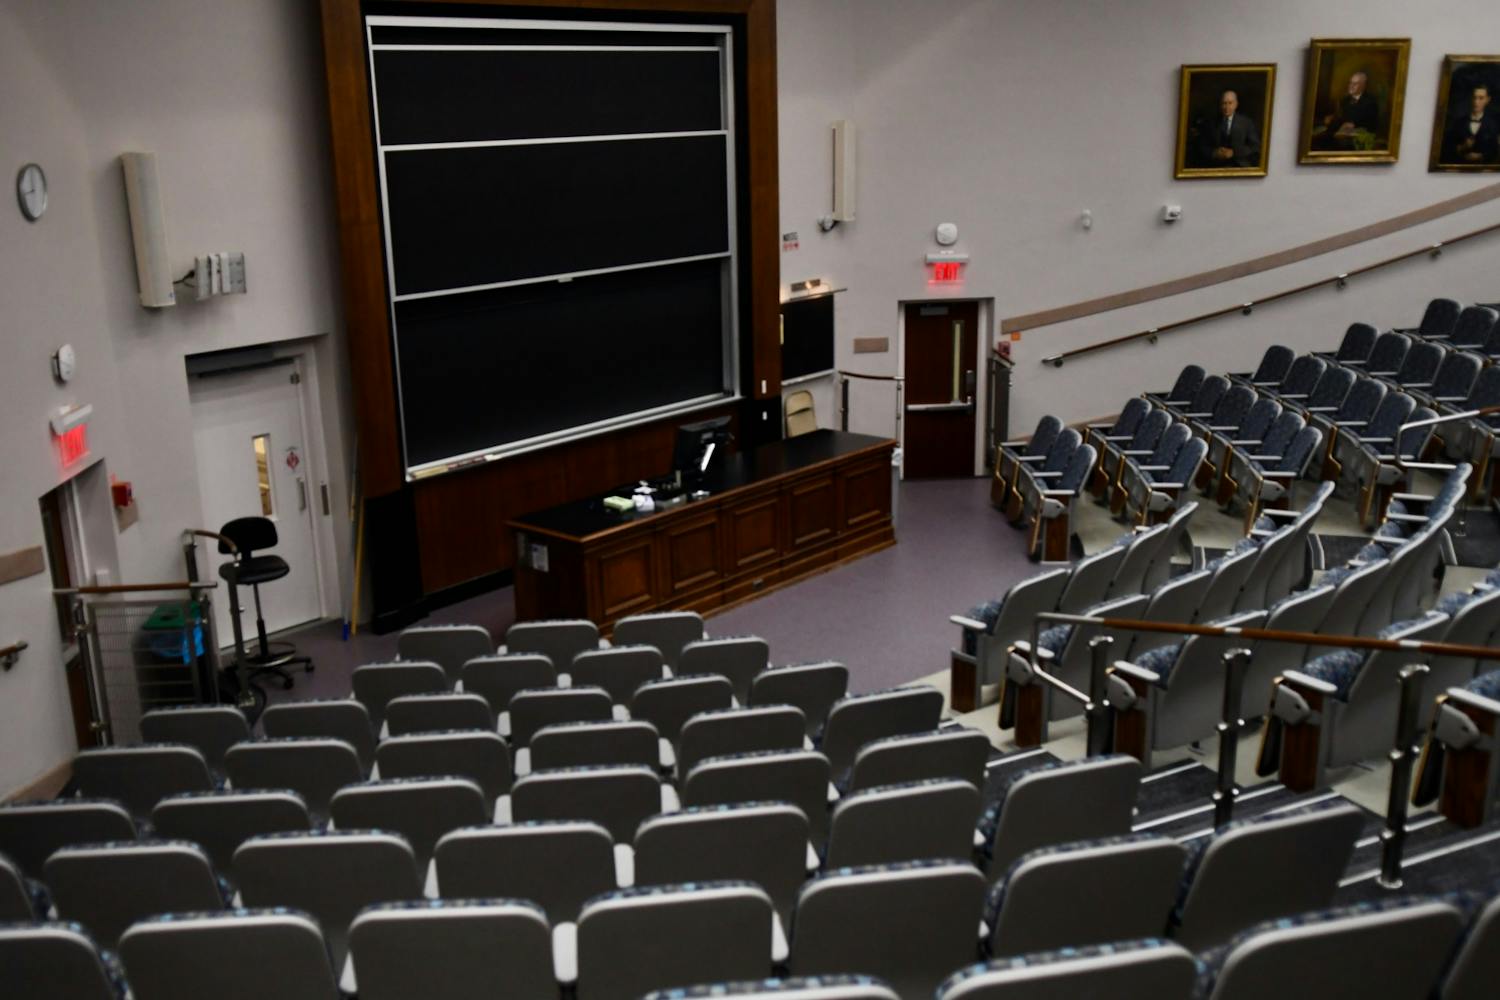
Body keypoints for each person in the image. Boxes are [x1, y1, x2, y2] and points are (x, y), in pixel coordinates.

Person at [1196, 89, 1261, 167]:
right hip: (1216, 166)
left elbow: (1255, 146)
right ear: (1220, 105)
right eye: (1224, 103)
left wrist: (1234, 152)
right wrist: (1214, 153)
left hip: (1240, 166)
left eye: (1230, 103)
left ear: (1236, 104)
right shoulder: (1211, 123)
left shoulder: (1246, 122)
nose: (1226, 107)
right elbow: (1202, 145)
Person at [1442, 82, 1500, 165]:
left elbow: (1495, 152)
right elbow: (1445, 151)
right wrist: (1462, 147)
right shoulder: (1458, 123)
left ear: (1487, 100)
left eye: (1481, 98)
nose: (1476, 102)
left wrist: (1481, 156)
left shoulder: (1494, 124)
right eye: (1474, 97)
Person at [1322, 71, 1380, 138]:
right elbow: (1342, 118)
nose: (1351, 86)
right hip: (1343, 133)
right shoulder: (1345, 100)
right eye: (1350, 83)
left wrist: (1354, 124)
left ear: (1363, 86)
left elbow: (1371, 124)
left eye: (1355, 84)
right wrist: (1332, 118)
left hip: (1360, 135)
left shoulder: (1370, 102)